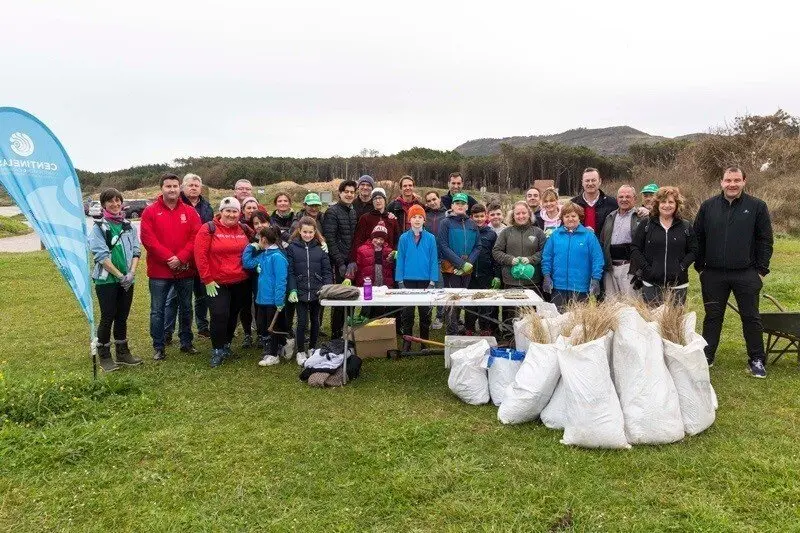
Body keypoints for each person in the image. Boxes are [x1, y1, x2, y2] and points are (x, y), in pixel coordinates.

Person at [694, 166, 774, 377]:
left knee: (751, 317)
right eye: (728, 180)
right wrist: (700, 267)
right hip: (713, 274)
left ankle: (756, 359)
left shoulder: (757, 206)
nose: (732, 184)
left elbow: (765, 240)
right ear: (721, 182)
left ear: (744, 181)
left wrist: (761, 271)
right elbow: (698, 238)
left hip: (746, 273)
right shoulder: (708, 206)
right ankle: (707, 357)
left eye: (736, 180)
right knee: (712, 317)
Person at [140, 173, 202, 360]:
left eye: (175, 186)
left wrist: (182, 258)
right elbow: (148, 240)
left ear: (180, 188)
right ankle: (159, 346)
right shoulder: (150, 212)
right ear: (162, 189)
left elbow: (196, 237)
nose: (172, 189)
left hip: (185, 269)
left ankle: (186, 342)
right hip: (160, 271)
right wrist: (169, 258)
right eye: (168, 186)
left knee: (186, 308)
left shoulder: (190, 212)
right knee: (157, 310)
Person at [194, 197, 252, 368]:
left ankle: (226, 345)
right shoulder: (208, 229)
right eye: (228, 211)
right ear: (221, 212)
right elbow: (200, 255)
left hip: (240, 281)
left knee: (233, 314)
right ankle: (217, 349)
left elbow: (260, 237)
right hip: (216, 282)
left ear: (239, 213)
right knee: (219, 314)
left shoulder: (243, 229)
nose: (231, 214)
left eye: (235, 211)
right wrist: (207, 279)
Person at [89, 188, 142, 372]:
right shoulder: (99, 227)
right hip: (107, 281)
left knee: (122, 317)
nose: (115, 204)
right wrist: (120, 276)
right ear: (104, 204)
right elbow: (101, 256)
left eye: (118, 201)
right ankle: (104, 355)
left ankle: (122, 352)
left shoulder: (129, 226)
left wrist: (131, 274)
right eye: (110, 201)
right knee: (108, 316)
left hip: (128, 279)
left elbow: (136, 250)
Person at [163, 173, 213, 345]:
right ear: (183, 187)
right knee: (174, 298)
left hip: (200, 258)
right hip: (180, 258)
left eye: (196, 185)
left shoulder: (207, 206)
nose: (193, 188)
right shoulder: (177, 204)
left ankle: (202, 326)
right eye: (190, 185)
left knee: (201, 296)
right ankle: (167, 331)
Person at [630, 186, 698, 306]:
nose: (667, 205)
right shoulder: (647, 224)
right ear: (657, 204)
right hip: (651, 284)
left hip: (678, 285)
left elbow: (694, 251)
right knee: (652, 322)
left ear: (677, 204)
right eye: (663, 202)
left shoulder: (685, 226)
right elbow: (635, 248)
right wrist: (646, 268)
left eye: (671, 202)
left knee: (674, 323)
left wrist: (681, 266)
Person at [286, 216, 332, 366]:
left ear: (314, 232)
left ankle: (312, 348)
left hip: (317, 291)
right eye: (305, 232)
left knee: (316, 321)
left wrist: (326, 288)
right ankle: (300, 351)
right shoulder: (292, 248)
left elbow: (327, 271)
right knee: (301, 322)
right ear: (299, 231)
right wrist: (292, 289)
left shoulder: (321, 248)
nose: (307, 235)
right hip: (299, 291)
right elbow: (290, 271)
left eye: (310, 232)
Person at [541, 202, 604, 312]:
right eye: (567, 216)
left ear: (580, 217)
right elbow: (547, 257)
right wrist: (546, 275)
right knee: (557, 321)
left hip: (580, 287)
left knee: (578, 323)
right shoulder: (555, 236)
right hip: (558, 287)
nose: (570, 219)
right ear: (562, 218)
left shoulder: (589, 236)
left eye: (573, 216)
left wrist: (596, 279)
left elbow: (597, 259)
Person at [242, 227, 289, 367]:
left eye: (258, 238)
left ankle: (273, 354)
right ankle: (285, 344)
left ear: (263, 239)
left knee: (272, 327)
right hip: (261, 299)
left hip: (273, 300)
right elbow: (247, 263)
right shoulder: (264, 254)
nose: (257, 240)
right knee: (262, 326)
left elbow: (281, 280)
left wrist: (279, 300)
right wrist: (250, 247)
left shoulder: (277, 257)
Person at [396, 204, 439, 351]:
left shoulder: (430, 238)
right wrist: (400, 281)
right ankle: (407, 341)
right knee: (407, 313)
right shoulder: (403, 238)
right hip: (407, 280)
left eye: (420, 217)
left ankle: (424, 342)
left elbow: (434, 259)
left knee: (425, 313)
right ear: (409, 220)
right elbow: (400, 259)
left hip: (425, 280)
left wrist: (433, 281)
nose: (417, 220)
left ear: (424, 220)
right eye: (414, 217)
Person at [437, 192, 480, 334]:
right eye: (457, 203)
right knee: (451, 300)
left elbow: (478, 246)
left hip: (467, 268)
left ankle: (455, 325)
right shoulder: (446, 223)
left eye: (463, 203)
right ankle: (451, 331)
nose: (460, 206)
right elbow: (443, 245)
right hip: (450, 269)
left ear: (467, 206)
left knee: (461, 299)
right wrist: (460, 264)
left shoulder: (472, 224)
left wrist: (469, 263)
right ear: (452, 206)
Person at [322, 180, 358, 339]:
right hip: (339, 263)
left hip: (351, 262)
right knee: (339, 299)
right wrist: (340, 263)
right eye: (346, 192)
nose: (349, 194)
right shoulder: (332, 212)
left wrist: (352, 260)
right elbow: (330, 239)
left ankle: (347, 332)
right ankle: (336, 335)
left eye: (352, 192)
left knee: (351, 297)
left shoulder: (352, 211)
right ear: (340, 193)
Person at [600, 185, 646, 300]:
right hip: (610, 268)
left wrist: (640, 271)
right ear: (617, 199)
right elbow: (603, 241)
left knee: (631, 306)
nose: (624, 199)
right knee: (612, 306)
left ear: (634, 199)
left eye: (628, 197)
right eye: (621, 196)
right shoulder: (610, 217)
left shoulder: (641, 217)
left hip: (630, 268)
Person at [492, 201, 546, 294]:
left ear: (529, 214)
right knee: (511, 308)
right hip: (510, 281)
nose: (521, 216)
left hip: (532, 281)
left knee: (530, 309)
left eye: (524, 213)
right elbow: (496, 251)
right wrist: (510, 259)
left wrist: (531, 259)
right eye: (517, 213)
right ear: (513, 215)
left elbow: (544, 252)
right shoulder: (506, 232)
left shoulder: (538, 232)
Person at [345, 221, 395, 319]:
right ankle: (365, 328)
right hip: (367, 286)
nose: (378, 241)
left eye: (381, 239)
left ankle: (378, 329)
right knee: (366, 309)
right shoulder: (362, 250)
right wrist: (349, 277)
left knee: (380, 309)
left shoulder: (389, 251)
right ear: (372, 237)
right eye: (376, 238)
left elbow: (392, 267)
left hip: (382, 285)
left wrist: (392, 258)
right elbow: (355, 265)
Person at [468, 204, 502, 335]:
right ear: (471, 217)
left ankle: (485, 329)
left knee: (485, 305)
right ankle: (469, 328)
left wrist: (497, 275)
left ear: (486, 216)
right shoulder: (468, 232)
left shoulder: (491, 234)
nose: (479, 219)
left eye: (481, 216)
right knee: (470, 304)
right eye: (476, 216)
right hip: (470, 275)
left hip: (486, 275)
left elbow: (496, 257)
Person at [424, 190, 448, 330]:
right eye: (429, 200)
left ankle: (440, 316)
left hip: (442, 257)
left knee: (440, 287)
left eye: (434, 199)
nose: (432, 202)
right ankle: (426, 316)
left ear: (439, 199)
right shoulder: (424, 215)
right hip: (427, 257)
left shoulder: (447, 215)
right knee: (428, 287)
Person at [570, 167, 619, 235]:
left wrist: (638, 211)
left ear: (600, 181)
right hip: (578, 245)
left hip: (603, 245)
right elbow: (564, 227)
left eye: (593, 180)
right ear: (582, 183)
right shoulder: (572, 204)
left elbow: (625, 215)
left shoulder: (612, 203)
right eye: (587, 180)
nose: (590, 183)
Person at [352, 187, 400, 253]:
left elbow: (397, 240)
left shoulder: (392, 219)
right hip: (368, 258)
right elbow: (358, 240)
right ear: (372, 201)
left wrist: (394, 253)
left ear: (385, 200)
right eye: (375, 198)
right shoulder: (365, 218)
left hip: (387, 259)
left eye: (380, 198)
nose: (378, 201)